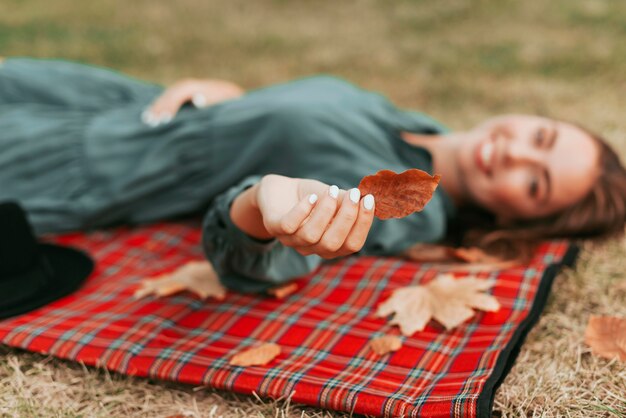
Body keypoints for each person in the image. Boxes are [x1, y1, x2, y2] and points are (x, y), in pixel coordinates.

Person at [1, 57, 624, 294]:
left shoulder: (400, 206)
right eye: (540, 137)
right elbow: (291, 127)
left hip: (80, 161)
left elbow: (258, 247)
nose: (515, 154)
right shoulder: (415, 125)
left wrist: (262, 213)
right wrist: (232, 99)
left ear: (517, 217)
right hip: (110, 102)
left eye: (535, 183)